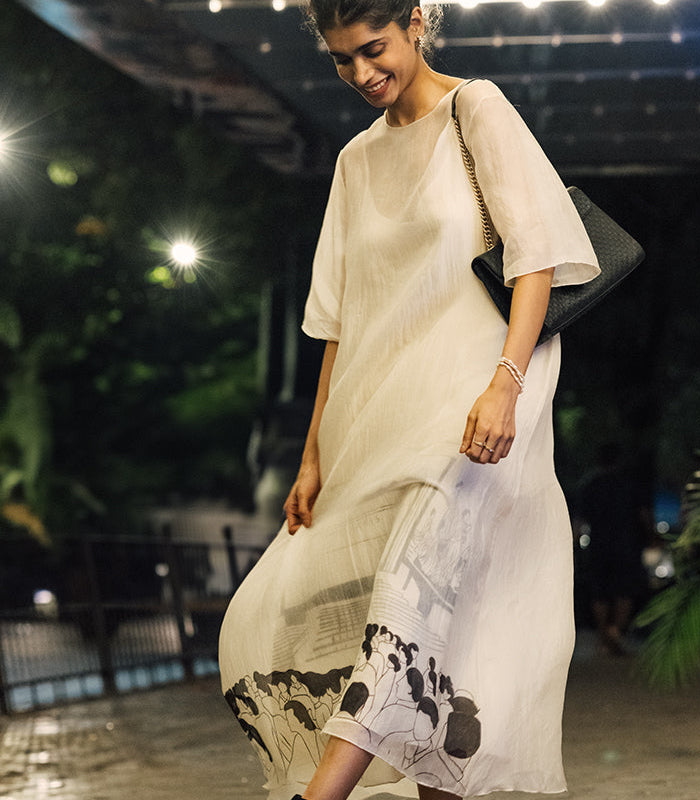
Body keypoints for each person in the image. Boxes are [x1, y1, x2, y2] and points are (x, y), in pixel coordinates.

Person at [218, 2, 599, 799]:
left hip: (476, 412)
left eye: (374, 48)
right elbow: (338, 323)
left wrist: (506, 385)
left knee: (405, 611)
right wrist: (312, 455)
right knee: (414, 645)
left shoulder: (476, 108)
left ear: (417, 21)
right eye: (341, 59)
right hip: (381, 418)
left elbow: (536, 259)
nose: (361, 73)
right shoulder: (356, 161)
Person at [574, 443, 650, 656]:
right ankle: (615, 631)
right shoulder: (630, 484)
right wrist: (651, 536)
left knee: (600, 592)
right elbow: (644, 514)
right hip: (626, 544)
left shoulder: (590, 484)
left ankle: (603, 637)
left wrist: (575, 544)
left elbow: (579, 520)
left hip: (598, 545)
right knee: (624, 590)